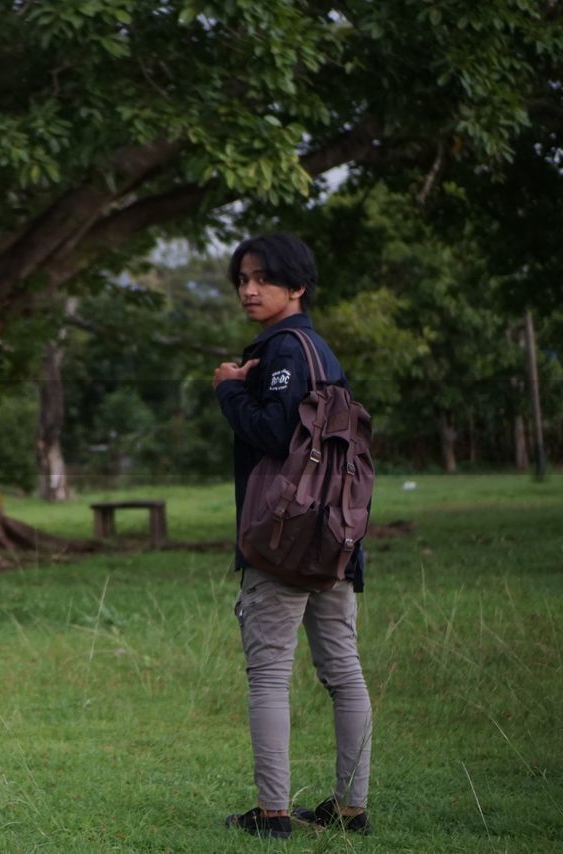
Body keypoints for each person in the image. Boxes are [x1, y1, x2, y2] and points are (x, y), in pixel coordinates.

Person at [211, 234, 373, 839]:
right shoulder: (321, 352)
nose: (249, 290)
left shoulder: (283, 350)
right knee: (344, 671)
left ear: (297, 286)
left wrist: (228, 388)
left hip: (283, 538)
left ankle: (273, 813)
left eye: (263, 279)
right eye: (243, 280)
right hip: (335, 532)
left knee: (270, 675)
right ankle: (349, 808)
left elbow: (274, 435)